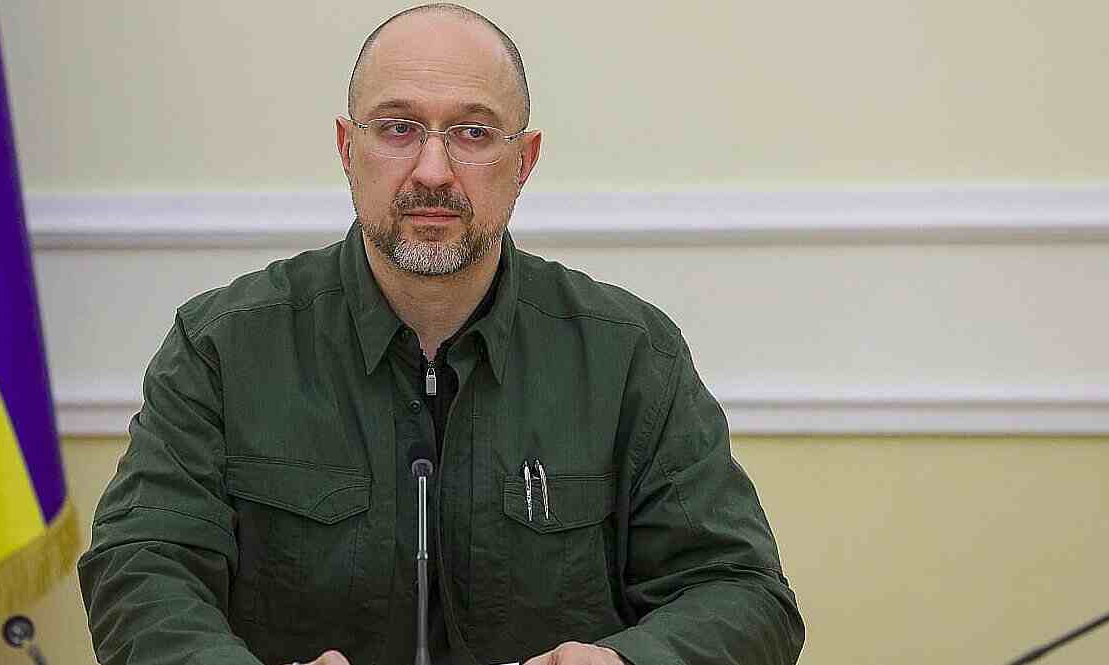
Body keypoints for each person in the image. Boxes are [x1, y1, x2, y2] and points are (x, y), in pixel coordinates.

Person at [78, 4, 805, 665]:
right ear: (347, 148)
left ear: (524, 161)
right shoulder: (221, 347)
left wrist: (623, 663)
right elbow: (140, 569)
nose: (433, 170)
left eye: (473, 133)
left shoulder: (631, 356)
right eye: (398, 128)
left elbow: (742, 593)